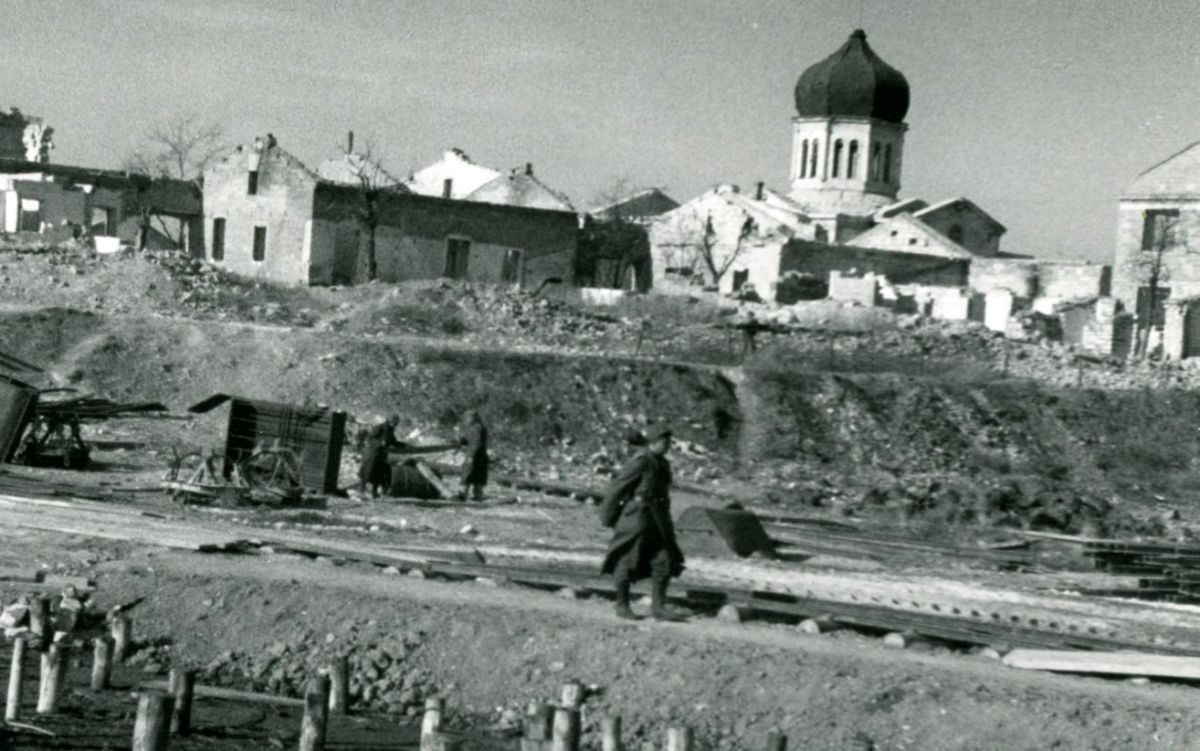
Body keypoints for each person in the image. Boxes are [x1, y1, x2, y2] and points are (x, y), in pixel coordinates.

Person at [598, 425, 685, 621]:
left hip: (658, 519)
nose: (668, 446)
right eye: (665, 442)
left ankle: (659, 607)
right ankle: (622, 605)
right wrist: (608, 516)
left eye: (669, 442)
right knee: (627, 560)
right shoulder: (641, 461)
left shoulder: (663, 464)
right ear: (653, 443)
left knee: (664, 561)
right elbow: (618, 487)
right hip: (638, 517)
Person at [358, 414, 404, 499]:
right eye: (395, 422)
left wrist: (404, 445)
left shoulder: (390, 430)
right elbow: (369, 438)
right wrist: (379, 443)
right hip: (372, 453)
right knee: (367, 472)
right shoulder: (380, 427)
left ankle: (374, 493)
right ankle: (361, 491)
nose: (396, 424)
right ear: (390, 421)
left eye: (397, 422)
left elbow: (393, 442)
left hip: (381, 455)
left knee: (378, 473)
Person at [458, 411, 489, 501]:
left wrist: (471, 456)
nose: (466, 419)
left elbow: (477, 444)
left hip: (476, 455)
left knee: (468, 473)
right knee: (476, 475)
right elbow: (465, 441)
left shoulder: (477, 428)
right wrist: (460, 438)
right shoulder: (471, 428)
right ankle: (477, 495)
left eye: (468, 417)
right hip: (477, 455)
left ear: (474, 418)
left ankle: (463, 494)